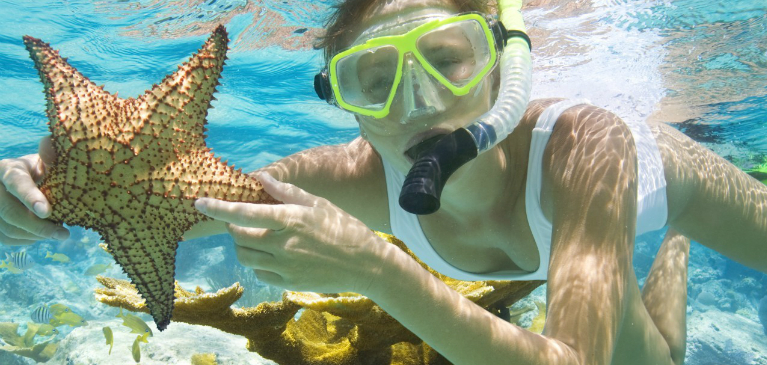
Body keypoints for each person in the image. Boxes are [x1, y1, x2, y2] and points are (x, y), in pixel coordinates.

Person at [1, 0, 765, 364]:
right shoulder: (345, 178)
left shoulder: (584, 143)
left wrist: (375, 267)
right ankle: (675, 258)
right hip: (576, 248)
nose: (421, 102)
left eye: (448, 56)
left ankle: (681, 229)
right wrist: (38, 193)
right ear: (347, 106)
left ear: (503, 63)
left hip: (663, 181)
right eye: (373, 77)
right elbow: (162, 199)